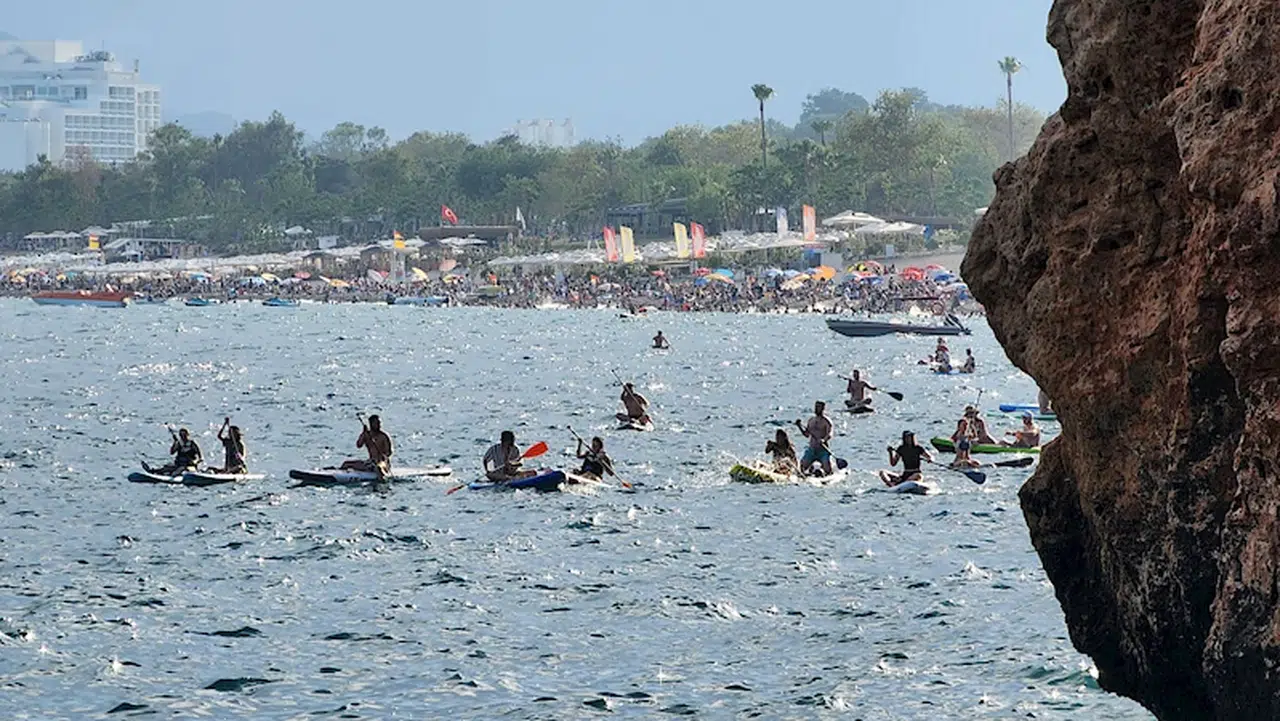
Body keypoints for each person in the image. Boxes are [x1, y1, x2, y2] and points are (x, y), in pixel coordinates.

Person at [795, 401, 834, 477]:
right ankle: (809, 472)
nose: (816, 409)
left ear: (823, 408)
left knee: (828, 470)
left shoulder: (827, 421)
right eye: (816, 407)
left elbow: (830, 434)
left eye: (818, 407)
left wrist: (823, 440)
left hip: (823, 450)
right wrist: (799, 426)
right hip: (812, 449)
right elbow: (807, 434)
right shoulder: (811, 420)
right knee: (802, 467)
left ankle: (825, 473)